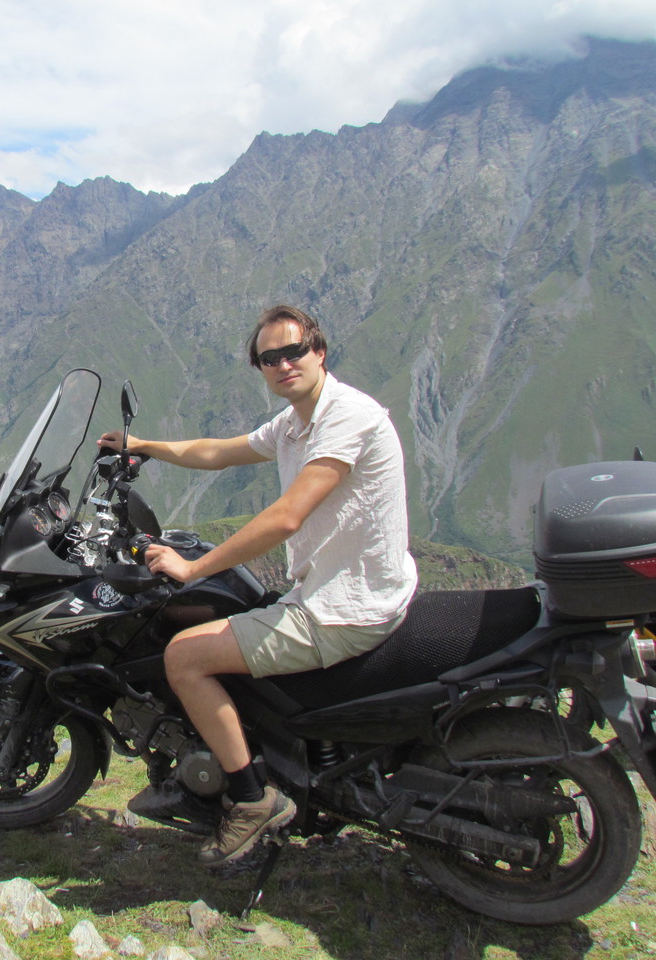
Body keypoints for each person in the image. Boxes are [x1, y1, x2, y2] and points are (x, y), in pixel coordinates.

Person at [98, 304, 417, 868]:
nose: (283, 364)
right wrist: (145, 446)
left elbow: (287, 517)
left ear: (319, 351)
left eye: (294, 351)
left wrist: (194, 568)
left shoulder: (347, 416)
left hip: (344, 608)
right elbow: (221, 452)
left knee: (184, 657)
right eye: (270, 358)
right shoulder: (296, 421)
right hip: (334, 591)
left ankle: (250, 800)